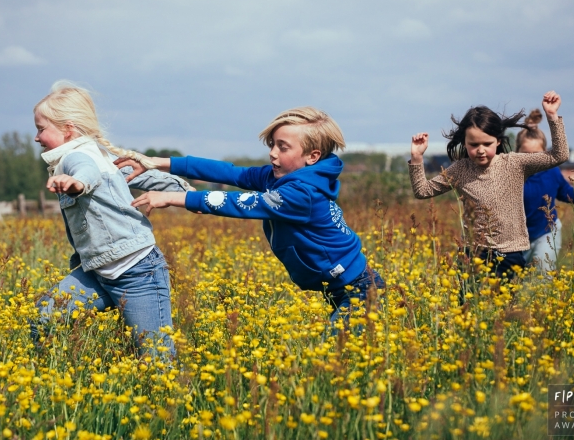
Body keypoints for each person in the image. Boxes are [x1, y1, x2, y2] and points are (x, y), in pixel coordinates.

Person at [115, 107, 384, 331]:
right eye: (272, 145)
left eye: (283, 147)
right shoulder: (276, 178)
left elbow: (240, 203)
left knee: (334, 362)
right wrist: (156, 162)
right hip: (339, 289)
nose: (273, 153)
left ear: (312, 157)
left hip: (360, 290)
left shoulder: (302, 194)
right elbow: (231, 173)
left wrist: (173, 198)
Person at [32, 81, 190, 356]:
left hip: (137, 272)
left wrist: (77, 183)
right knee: (44, 315)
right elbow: (147, 175)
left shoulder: (75, 158)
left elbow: (86, 172)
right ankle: (49, 375)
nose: (36, 137)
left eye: (41, 129)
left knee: (155, 360)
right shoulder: (105, 154)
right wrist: (186, 191)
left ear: (68, 129)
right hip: (98, 272)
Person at [408, 91, 568, 281]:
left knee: (506, 307)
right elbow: (422, 191)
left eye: (487, 143)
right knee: (470, 307)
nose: (481, 150)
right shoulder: (460, 169)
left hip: (511, 252)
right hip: (473, 253)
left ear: (498, 140)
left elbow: (559, 156)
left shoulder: (515, 164)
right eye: (474, 144)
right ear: (465, 143)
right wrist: (417, 158)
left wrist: (552, 117)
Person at [517, 109, 574, 271]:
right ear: (516, 152)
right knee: (516, 279)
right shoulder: (512, 176)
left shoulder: (552, 172)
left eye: (536, 154)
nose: (531, 159)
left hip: (547, 233)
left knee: (543, 274)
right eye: (525, 154)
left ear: (546, 154)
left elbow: (570, 195)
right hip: (518, 239)